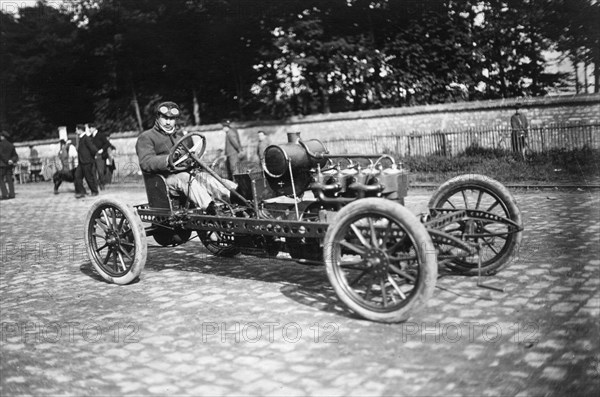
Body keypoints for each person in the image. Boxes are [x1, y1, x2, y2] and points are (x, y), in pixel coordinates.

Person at [136, 101, 234, 210]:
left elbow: (190, 156)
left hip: (187, 173)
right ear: (158, 117)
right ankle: (210, 207)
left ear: (176, 120)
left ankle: (233, 195)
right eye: (165, 118)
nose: (168, 122)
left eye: (172, 119)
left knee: (204, 177)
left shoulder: (181, 136)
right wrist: (168, 159)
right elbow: (146, 162)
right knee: (185, 178)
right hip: (164, 180)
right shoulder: (147, 137)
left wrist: (194, 159)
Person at [74, 124, 99, 198]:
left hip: (87, 162)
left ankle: (94, 191)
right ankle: (82, 192)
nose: (75, 131)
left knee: (89, 177)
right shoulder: (81, 138)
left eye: (76, 129)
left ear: (80, 130)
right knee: (77, 176)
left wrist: (90, 158)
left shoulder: (86, 138)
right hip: (81, 162)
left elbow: (93, 149)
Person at [90, 126, 111, 190]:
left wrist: (102, 149)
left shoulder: (101, 135)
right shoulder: (90, 137)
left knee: (100, 171)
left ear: (94, 128)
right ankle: (95, 186)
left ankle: (102, 184)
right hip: (93, 156)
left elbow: (107, 144)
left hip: (100, 156)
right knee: (93, 171)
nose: (89, 130)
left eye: (90, 128)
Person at [0, 132, 18, 200]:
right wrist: (11, 160)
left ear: (2, 136)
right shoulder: (11, 145)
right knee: (9, 179)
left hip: (1, 164)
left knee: (1, 180)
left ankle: (5, 194)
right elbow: (15, 155)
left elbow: (1, 155)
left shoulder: (0, 144)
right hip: (9, 164)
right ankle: (12, 194)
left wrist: (6, 160)